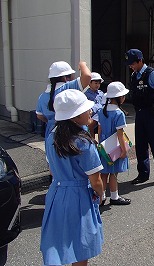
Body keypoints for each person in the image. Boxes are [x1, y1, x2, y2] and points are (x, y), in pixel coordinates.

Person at [40, 89, 104, 266]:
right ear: (75, 117)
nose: (90, 111)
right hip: (78, 195)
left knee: (57, 244)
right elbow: (96, 180)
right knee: (79, 246)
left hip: (56, 193)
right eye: (86, 109)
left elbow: (52, 170)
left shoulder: (51, 137)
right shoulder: (83, 142)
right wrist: (100, 195)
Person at [125, 49, 154, 186]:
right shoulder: (134, 75)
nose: (130, 66)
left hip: (153, 115)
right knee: (141, 146)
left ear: (140, 60)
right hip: (140, 114)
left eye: (132, 63)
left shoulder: (152, 74)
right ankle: (143, 174)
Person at [97, 81, 131, 206]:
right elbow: (120, 134)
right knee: (113, 173)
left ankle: (101, 197)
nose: (124, 98)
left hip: (104, 145)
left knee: (104, 173)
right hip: (114, 145)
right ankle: (114, 196)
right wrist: (124, 150)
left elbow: (99, 130)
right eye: (123, 96)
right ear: (119, 98)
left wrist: (101, 143)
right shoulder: (118, 113)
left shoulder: (102, 111)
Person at [36, 61, 76, 139]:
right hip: (68, 131)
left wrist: (50, 121)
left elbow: (39, 115)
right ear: (65, 77)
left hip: (50, 131)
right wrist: (82, 64)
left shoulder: (42, 96)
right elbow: (87, 76)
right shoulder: (68, 88)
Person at [84, 72, 104, 139]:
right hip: (92, 115)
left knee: (101, 129)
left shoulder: (101, 93)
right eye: (95, 83)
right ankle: (92, 140)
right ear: (89, 83)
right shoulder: (86, 94)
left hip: (101, 114)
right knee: (90, 126)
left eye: (99, 83)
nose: (97, 85)